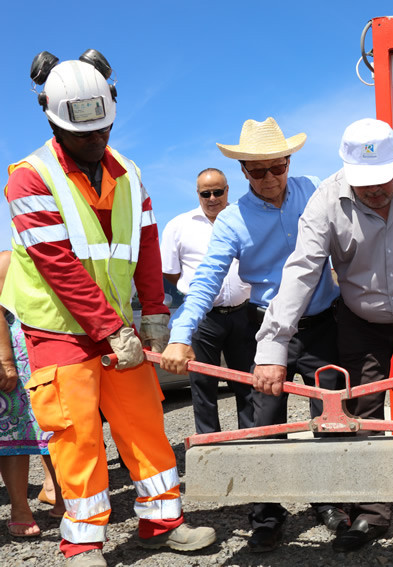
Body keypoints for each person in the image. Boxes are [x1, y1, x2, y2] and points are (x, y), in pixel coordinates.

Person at [0, 51, 215, 566]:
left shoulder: (129, 172)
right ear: (52, 119)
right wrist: (110, 328)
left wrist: (155, 317)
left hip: (117, 326)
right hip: (58, 331)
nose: (96, 142)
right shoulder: (29, 178)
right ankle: (82, 543)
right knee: (76, 437)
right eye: (83, 135)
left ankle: (162, 520)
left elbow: (145, 248)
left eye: (104, 130)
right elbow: (57, 264)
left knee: (143, 422)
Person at [253, 118, 393, 553]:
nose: (375, 193)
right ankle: (372, 513)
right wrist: (273, 345)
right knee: (363, 414)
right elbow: (300, 271)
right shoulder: (325, 202)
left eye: (382, 182)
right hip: (361, 323)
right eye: (364, 185)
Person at [159, 117, 348, 553]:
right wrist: (180, 333)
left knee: (333, 419)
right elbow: (205, 280)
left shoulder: (317, 192)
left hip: (323, 326)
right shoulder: (231, 221)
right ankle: (267, 513)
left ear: (289, 161)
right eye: (257, 171)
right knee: (264, 426)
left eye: (276, 168)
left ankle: (334, 501)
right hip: (266, 333)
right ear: (243, 171)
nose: (269, 179)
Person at [160, 168, 254, 434]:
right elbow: (169, 271)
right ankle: (210, 444)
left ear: (228, 190)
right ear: (198, 193)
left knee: (247, 382)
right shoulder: (178, 226)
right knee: (203, 385)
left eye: (218, 192)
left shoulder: (244, 219)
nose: (212, 198)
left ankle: (252, 441)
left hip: (243, 314)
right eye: (206, 193)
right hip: (203, 319)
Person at [0, 250, 64, 538]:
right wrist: (5, 361)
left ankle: (64, 500)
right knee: (14, 434)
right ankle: (20, 509)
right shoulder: (6, 260)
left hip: (53, 348)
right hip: (17, 356)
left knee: (57, 429)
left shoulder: (65, 251)